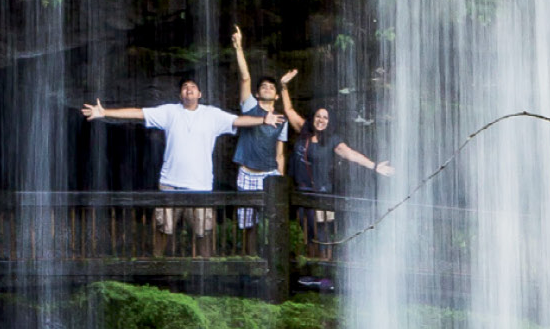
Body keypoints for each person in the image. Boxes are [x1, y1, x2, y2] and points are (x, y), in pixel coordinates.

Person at [83, 75, 239, 252]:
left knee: (204, 231)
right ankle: (157, 266)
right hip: (170, 185)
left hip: (200, 187)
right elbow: (139, 113)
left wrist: (264, 120)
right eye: (185, 87)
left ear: (200, 93)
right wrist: (105, 112)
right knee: (163, 229)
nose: (189, 89)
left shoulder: (212, 115)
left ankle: (207, 269)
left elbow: (238, 121)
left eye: (193, 87)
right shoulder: (170, 112)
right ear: (180, 94)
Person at [279, 96, 387, 277]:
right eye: (318, 116)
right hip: (301, 192)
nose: (321, 120)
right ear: (313, 118)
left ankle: (325, 274)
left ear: (330, 122)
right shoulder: (303, 131)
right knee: (307, 232)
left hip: (321, 193)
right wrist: (283, 87)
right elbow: (289, 110)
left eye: (325, 118)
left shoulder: (332, 140)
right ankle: (312, 272)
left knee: (321, 233)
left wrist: (374, 166)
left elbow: (350, 154)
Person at [229, 27, 294, 230]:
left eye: (271, 87)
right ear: (257, 94)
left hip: (270, 174)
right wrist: (239, 47)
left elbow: (280, 154)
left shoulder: (282, 120)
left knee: (274, 224)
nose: (267, 87)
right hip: (247, 172)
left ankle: (271, 261)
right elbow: (245, 77)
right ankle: (250, 259)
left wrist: (280, 179)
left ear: (276, 96)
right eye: (263, 86)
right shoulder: (249, 107)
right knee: (247, 225)